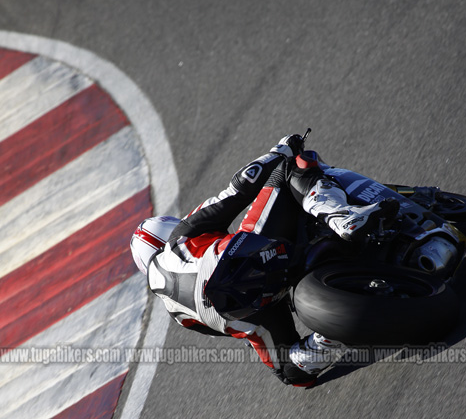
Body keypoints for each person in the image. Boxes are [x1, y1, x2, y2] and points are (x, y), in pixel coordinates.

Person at [130, 134, 398, 387]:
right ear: (164, 234)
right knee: (289, 168)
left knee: (289, 374)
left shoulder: (176, 315)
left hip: (252, 309)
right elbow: (239, 189)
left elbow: (232, 330)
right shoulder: (181, 237)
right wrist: (280, 151)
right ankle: (338, 215)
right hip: (249, 253)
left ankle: (326, 339)